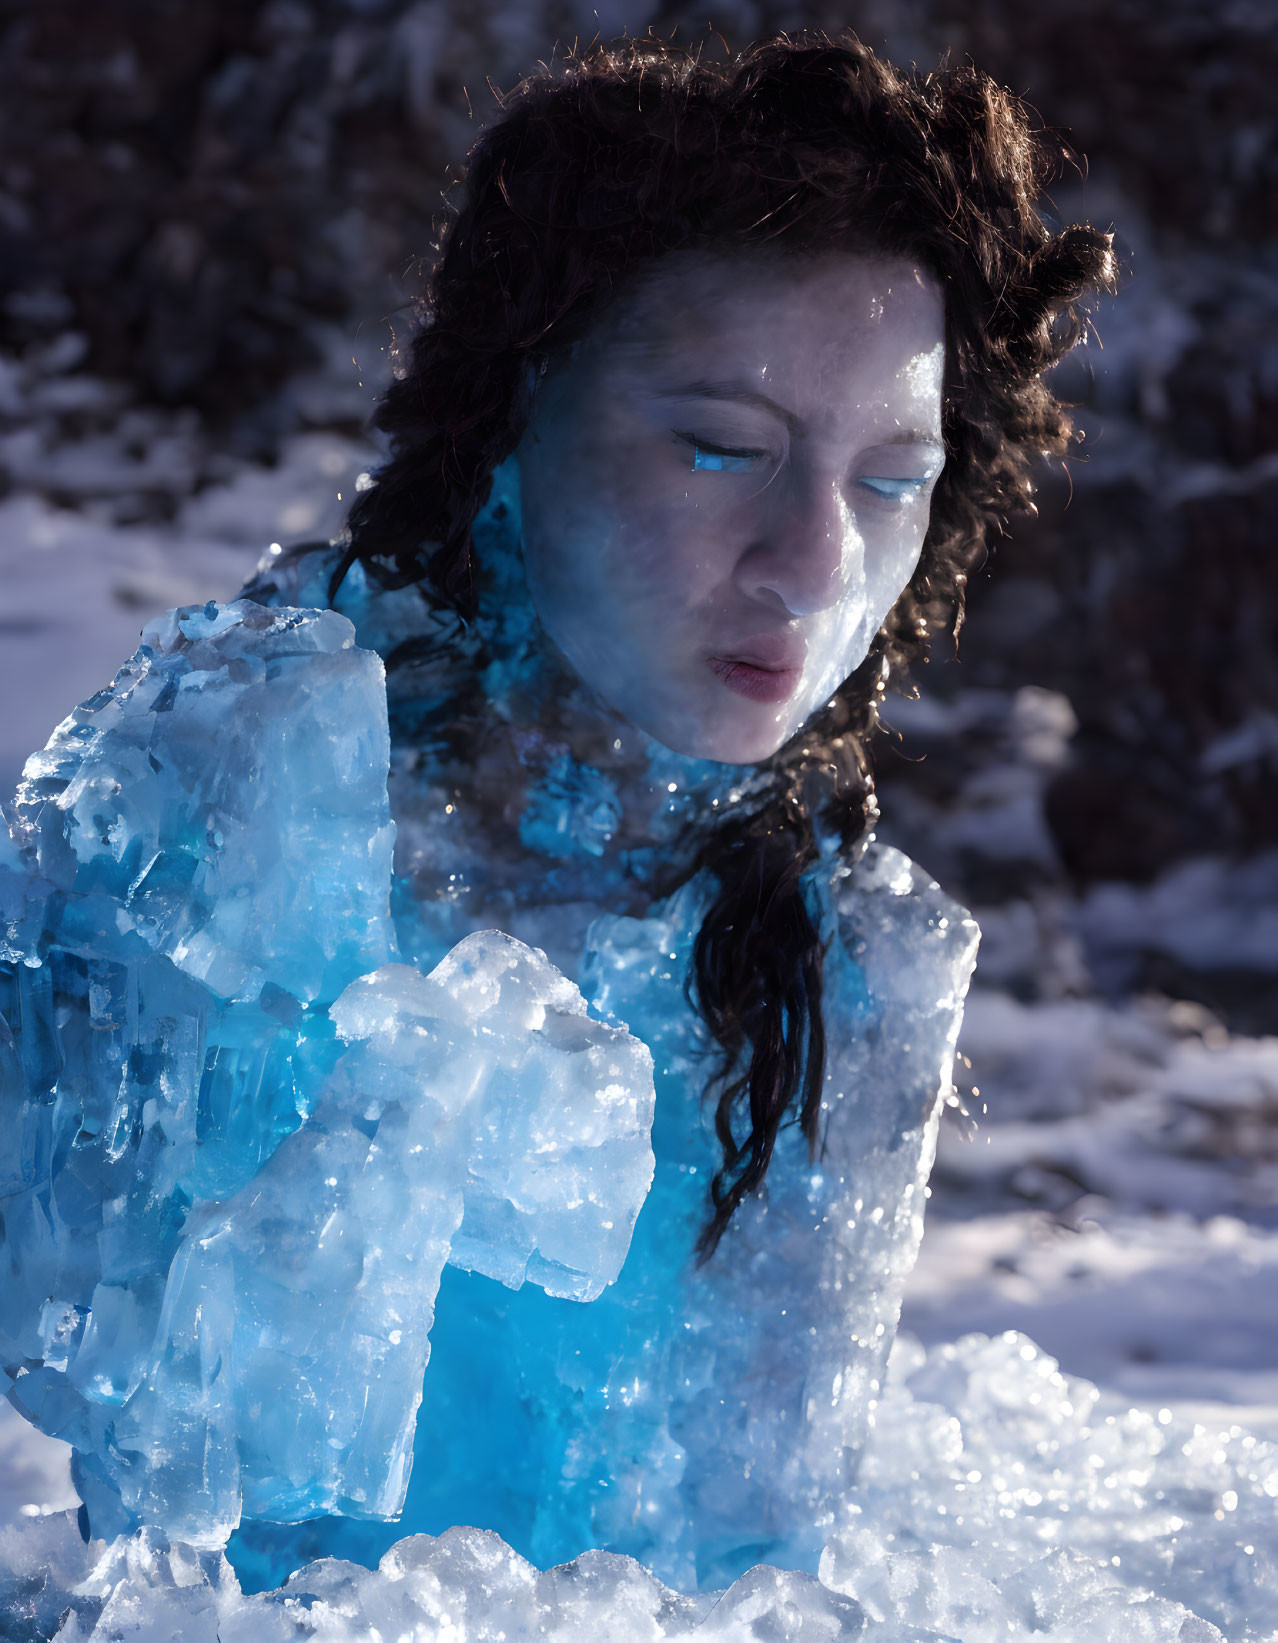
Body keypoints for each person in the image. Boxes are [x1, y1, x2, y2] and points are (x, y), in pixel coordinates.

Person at [0, 31, 1114, 1600]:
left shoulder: (839, 945)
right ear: (510, 419)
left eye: (886, 480)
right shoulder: (246, 788)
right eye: (721, 445)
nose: (808, 566)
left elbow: (748, 1560)